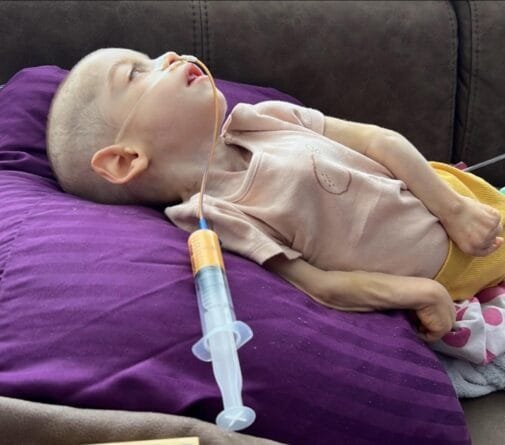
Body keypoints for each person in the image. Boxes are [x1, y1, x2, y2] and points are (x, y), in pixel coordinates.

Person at [46, 48, 505, 343]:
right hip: (453, 270)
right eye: (136, 73)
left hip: (456, 200)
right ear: (125, 160)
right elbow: (318, 285)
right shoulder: (215, 216)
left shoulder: (262, 118)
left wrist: (454, 209)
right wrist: (423, 292)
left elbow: (378, 141)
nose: (166, 56)